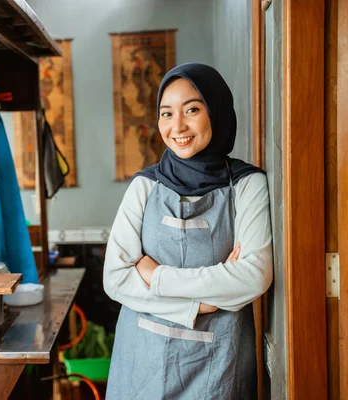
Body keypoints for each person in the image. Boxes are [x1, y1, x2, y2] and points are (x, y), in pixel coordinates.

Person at [103, 63, 273, 399]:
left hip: (218, 365)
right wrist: (199, 305)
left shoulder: (247, 184)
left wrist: (158, 276)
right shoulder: (144, 186)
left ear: (217, 112)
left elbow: (254, 276)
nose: (177, 126)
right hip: (141, 363)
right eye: (166, 114)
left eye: (192, 110)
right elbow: (115, 278)